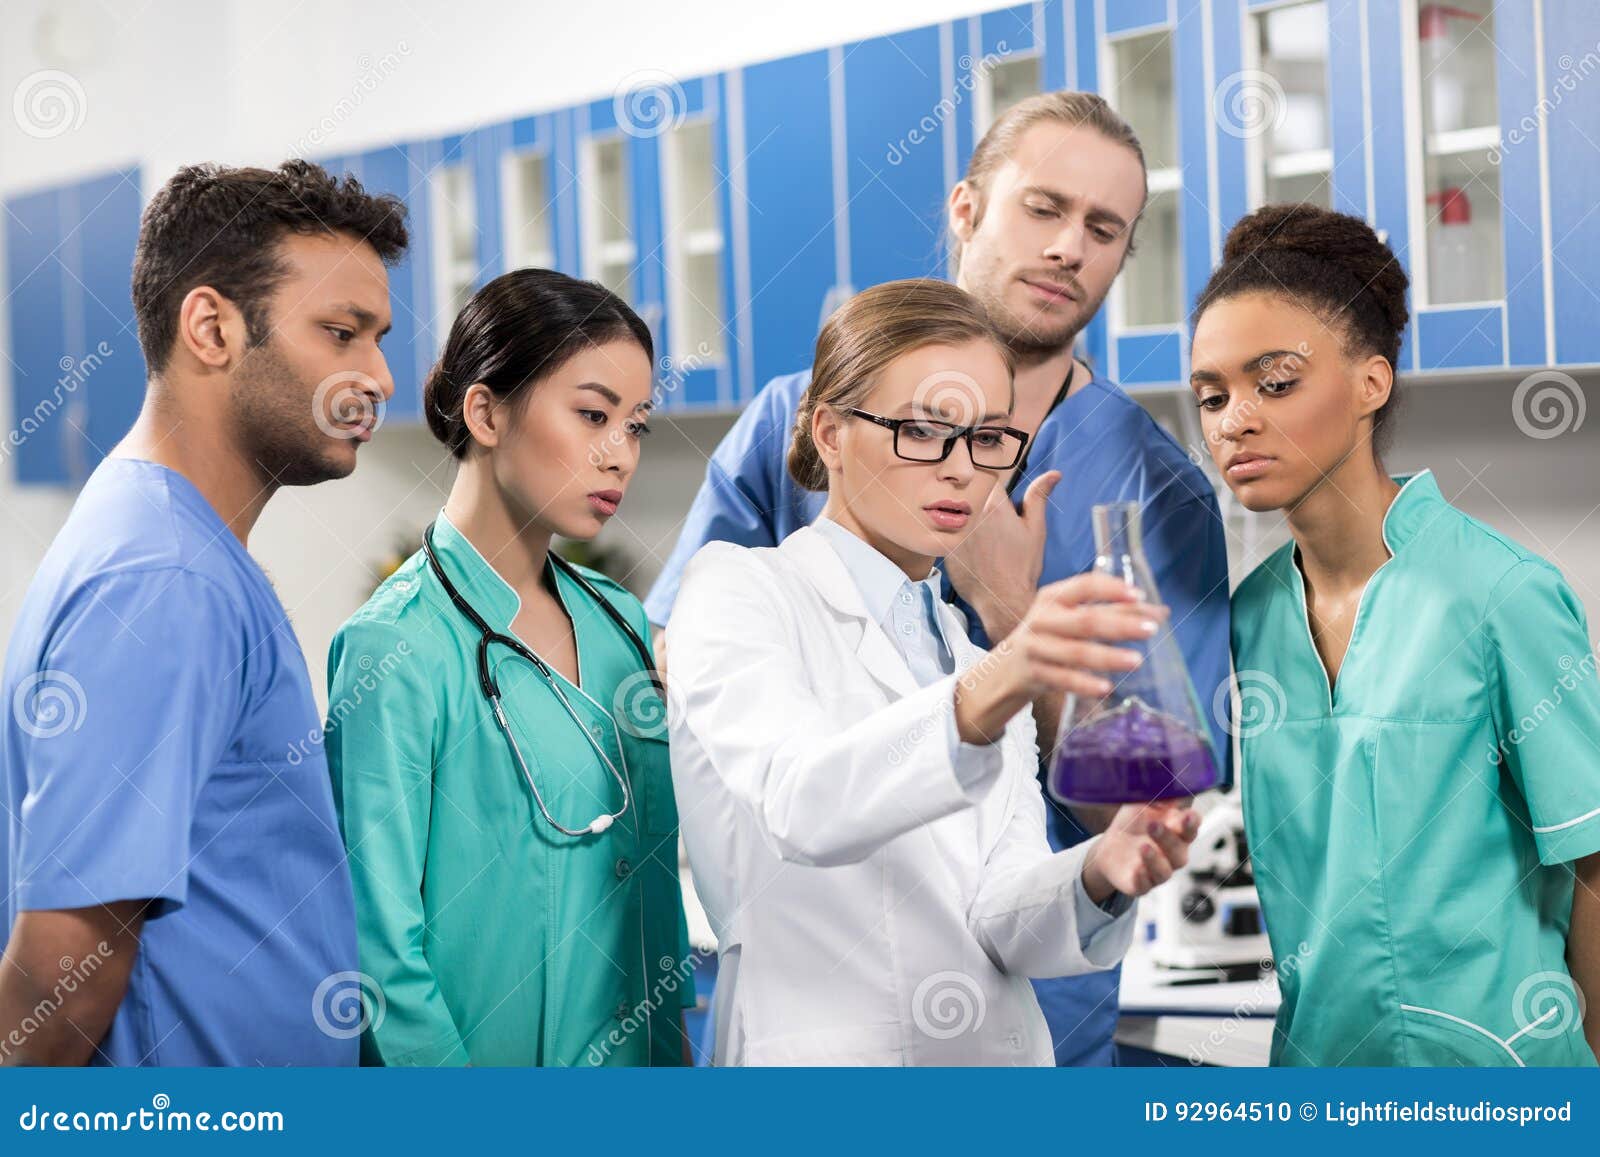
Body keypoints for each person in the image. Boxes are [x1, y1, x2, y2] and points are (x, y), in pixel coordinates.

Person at [645, 92, 1231, 1065]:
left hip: (1036, 1012)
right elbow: (752, 748)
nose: (1067, 249)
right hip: (821, 1023)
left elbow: (1122, 808)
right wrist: (1010, 666)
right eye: (1041, 208)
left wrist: (1007, 621)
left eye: (1102, 229)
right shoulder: (794, 433)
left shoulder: (1153, 494)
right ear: (964, 208)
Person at [0, 161, 408, 1065]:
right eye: (341, 333)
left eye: (377, 337)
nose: (377, 374)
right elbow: (69, 955)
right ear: (212, 326)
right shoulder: (164, 575)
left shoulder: (177, 546)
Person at [1190, 203, 1600, 1066]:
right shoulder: (1249, 616)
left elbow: (1595, 864)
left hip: (1502, 1077)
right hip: (1319, 1069)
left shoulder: (1501, 595)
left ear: (1371, 383)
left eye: (1275, 382)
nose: (1234, 420)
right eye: (1212, 394)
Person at [324, 269, 695, 1067]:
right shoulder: (395, 648)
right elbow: (382, 955)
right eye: (593, 414)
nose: (619, 454)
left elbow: (651, 882)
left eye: (636, 426)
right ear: (486, 411)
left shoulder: (621, 623)